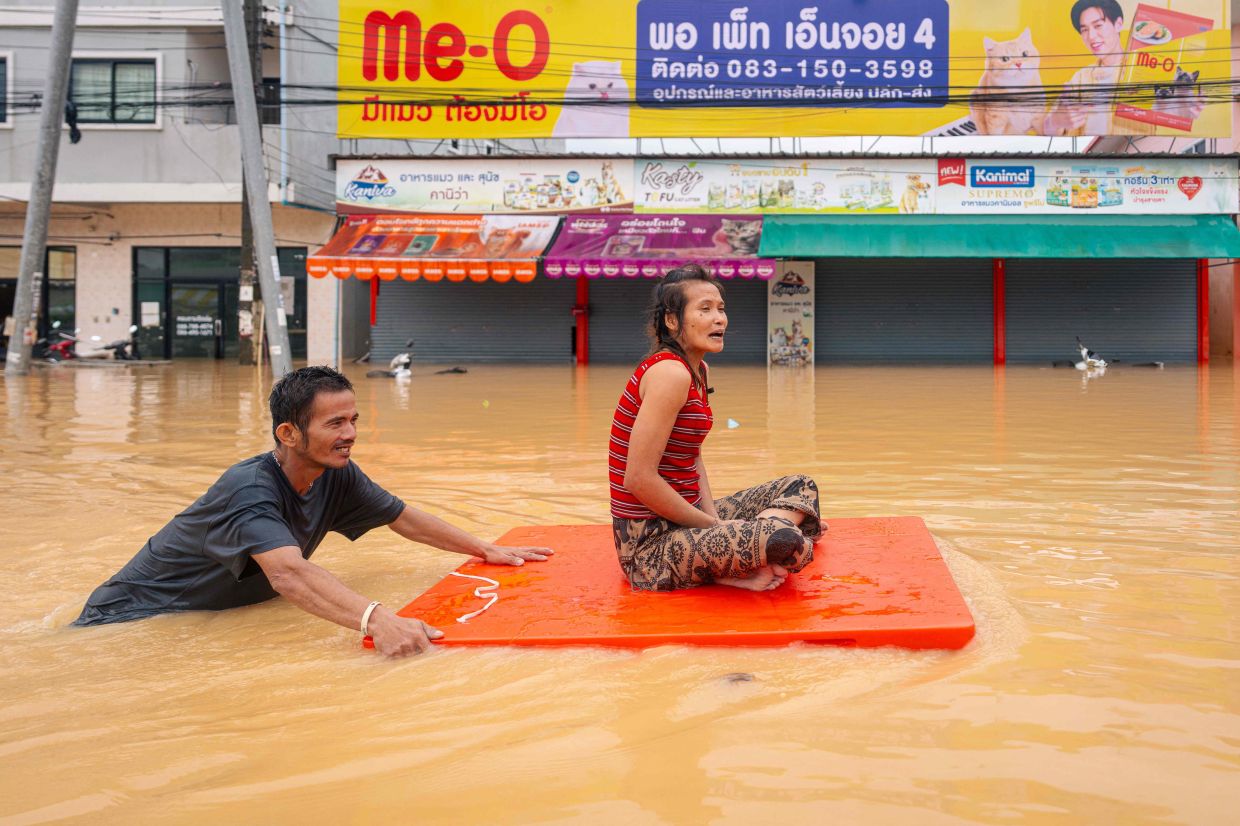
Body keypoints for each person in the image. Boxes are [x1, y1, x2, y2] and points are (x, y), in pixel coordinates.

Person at [74, 366, 551, 657]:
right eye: (335, 423)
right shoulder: (249, 489)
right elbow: (288, 575)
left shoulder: (335, 472)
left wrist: (483, 548)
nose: (350, 433)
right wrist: (378, 619)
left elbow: (401, 517)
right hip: (130, 621)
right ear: (288, 433)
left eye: (354, 420)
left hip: (198, 616)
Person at [608, 264, 824, 592]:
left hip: (686, 516)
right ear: (671, 320)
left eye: (721, 309)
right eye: (705, 309)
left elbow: (693, 458)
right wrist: (715, 527)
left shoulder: (698, 369)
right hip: (649, 550)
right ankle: (747, 555)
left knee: (800, 486)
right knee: (786, 541)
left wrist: (717, 526)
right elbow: (638, 478)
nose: (719, 319)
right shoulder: (670, 374)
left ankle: (741, 557)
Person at [1041, 0, 1198, 135]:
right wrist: (1055, 121)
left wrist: (1186, 109)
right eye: (1085, 30)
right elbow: (1045, 130)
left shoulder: (1148, 69)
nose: (1091, 36)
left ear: (1118, 25)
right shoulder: (1080, 78)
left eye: (1098, 26)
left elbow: (1173, 114)